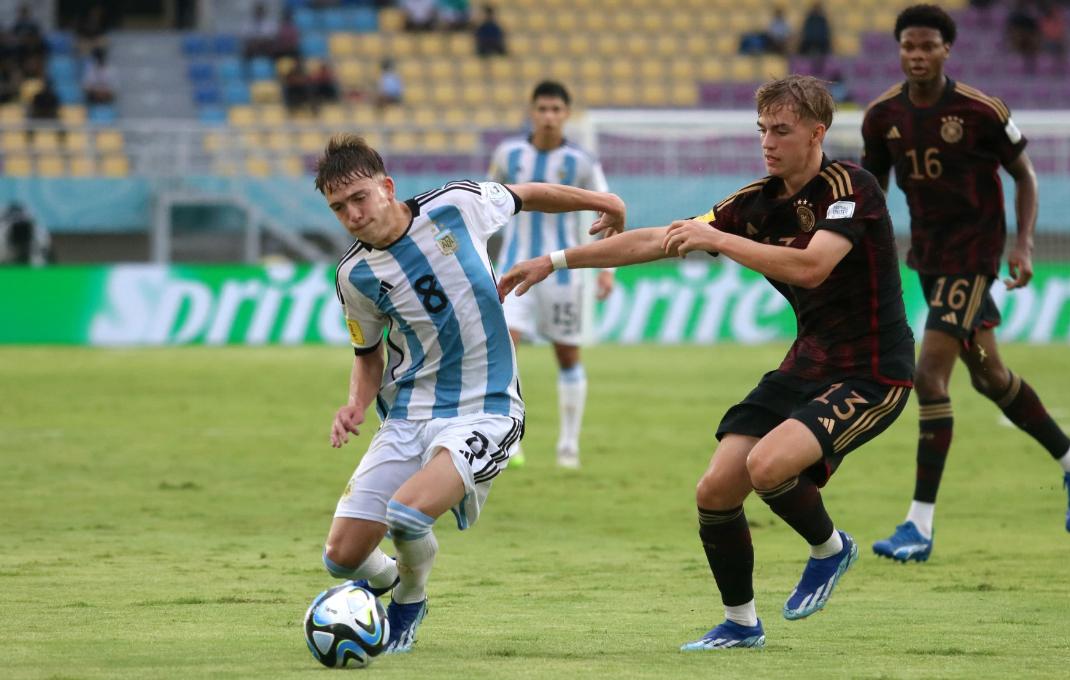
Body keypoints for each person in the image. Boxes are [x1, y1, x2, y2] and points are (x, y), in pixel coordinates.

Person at [500, 75, 914, 650]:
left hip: (875, 370)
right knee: (716, 490)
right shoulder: (757, 202)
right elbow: (656, 241)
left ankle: (830, 547)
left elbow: (812, 267)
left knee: (768, 467)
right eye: (762, 129)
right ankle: (741, 624)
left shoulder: (852, 187)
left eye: (782, 131)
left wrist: (717, 241)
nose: (768, 142)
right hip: (808, 363)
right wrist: (557, 259)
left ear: (818, 133)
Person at [317, 133, 625, 654]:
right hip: (410, 411)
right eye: (338, 207)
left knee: (408, 515)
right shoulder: (355, 275)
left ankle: (408, 602)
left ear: (387, 187)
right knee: (341, 558)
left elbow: (528, 194)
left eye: (359, 197)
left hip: (488, 407)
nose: (351, 214)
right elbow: (367, 355)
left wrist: (605, 201)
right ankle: (389, 577)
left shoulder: (456, 205)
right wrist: (356, 404)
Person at [861, 4, 1070, 564]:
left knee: (929, 376)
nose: (917, 56)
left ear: (947, 50)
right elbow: (873, 192)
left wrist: (1022, 244)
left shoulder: (981, 110)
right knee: (991, 377)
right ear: (899, 50)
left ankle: (917, 526)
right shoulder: (882, 117)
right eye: (908, 47)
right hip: (929, 259)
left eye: (928, 47)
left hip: (975, 257)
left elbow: (1024, 174)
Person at [487, 81, 613, 469]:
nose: (548, 117)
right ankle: (508, 440)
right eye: (542, 109)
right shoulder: (508, 155)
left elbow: (607, 211)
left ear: (566, 115)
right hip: (512, 271)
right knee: (503, 353)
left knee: (567, 356)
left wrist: (606, 269)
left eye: (556, 110)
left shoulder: (583, 162)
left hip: (563, 274)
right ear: (531, 112)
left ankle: (568, 446)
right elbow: (486, 205)